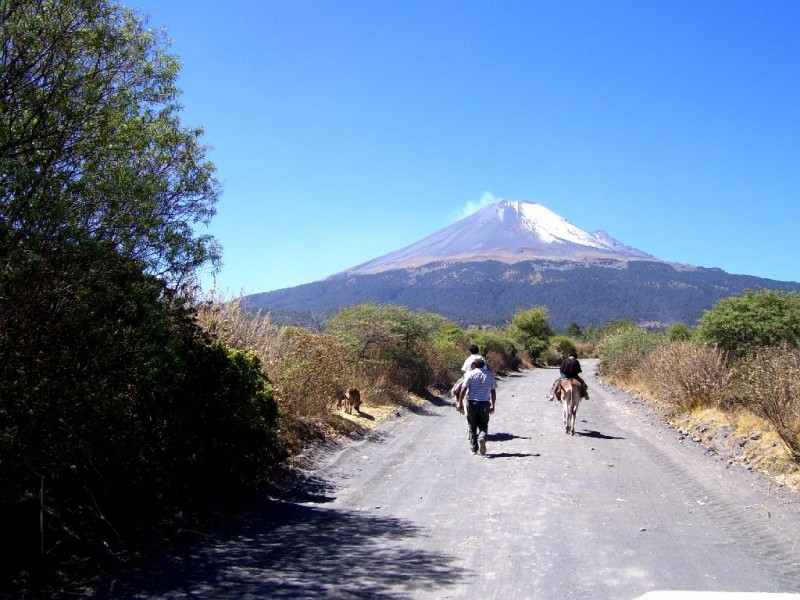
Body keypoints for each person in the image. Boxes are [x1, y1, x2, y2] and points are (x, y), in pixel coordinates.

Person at [456, 358, 497, 455]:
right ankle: (482, 437)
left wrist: (460, 402)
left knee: (472, 426)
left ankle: (474, 449)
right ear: (483, 365)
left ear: (474, 364)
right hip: (485, 404)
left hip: (472, 403)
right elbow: (493, 392)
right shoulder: (490, 375)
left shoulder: (470, 374)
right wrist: (493, 405)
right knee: (483, 424)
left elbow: (463, 390)